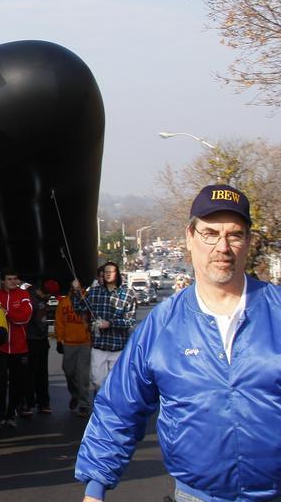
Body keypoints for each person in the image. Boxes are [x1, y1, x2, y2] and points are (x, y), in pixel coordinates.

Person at [76, 184, 281, 502]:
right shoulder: (162, 325)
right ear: (190, 237)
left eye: (234, 234)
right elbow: (119, 408)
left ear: (249, 241)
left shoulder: (277, 311)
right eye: (210, 233)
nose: (222, 247)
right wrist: (95, 488)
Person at [71, 261, 135, 396]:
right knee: (98, 382)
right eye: (106, 272)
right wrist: (76, 291)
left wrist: (110, 324)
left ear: (117, 274)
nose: (108, 274)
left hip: (118, 346)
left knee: (116, 384)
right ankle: (101, 408)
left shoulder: (127, 294)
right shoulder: (94, 292)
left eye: (111, 272)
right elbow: (80, 307)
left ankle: (115, 412)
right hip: (99, 345)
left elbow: (130, 321)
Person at [0, 270, 32, 428]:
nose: (13, 281)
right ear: (2, 280)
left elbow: (25, 317)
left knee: (17, 383)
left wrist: (6, 314)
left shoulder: (23, 295)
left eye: (15, 278)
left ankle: (11, 413)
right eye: (9, 279)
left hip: (19, 348)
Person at [54, 281, 92, 417]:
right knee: (68, 371)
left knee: (83, 375)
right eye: (72, 288)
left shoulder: (88, 300)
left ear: (83, 288)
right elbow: (59, 322)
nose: (75, 290)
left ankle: (84, 404)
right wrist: (59, 340)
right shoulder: (64, 302)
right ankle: (75, 394)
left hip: (85, 342)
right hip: (69, 343)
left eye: (78, 287)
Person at [24, 280, 52, 414]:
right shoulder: (31, 299)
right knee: (31, 373)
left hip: (41, 339)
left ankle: (42, 402)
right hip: (31, 339)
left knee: (42, 372)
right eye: (49, 295)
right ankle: (29, 403)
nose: (49, 297)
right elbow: (37, 320)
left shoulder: (40, 299)